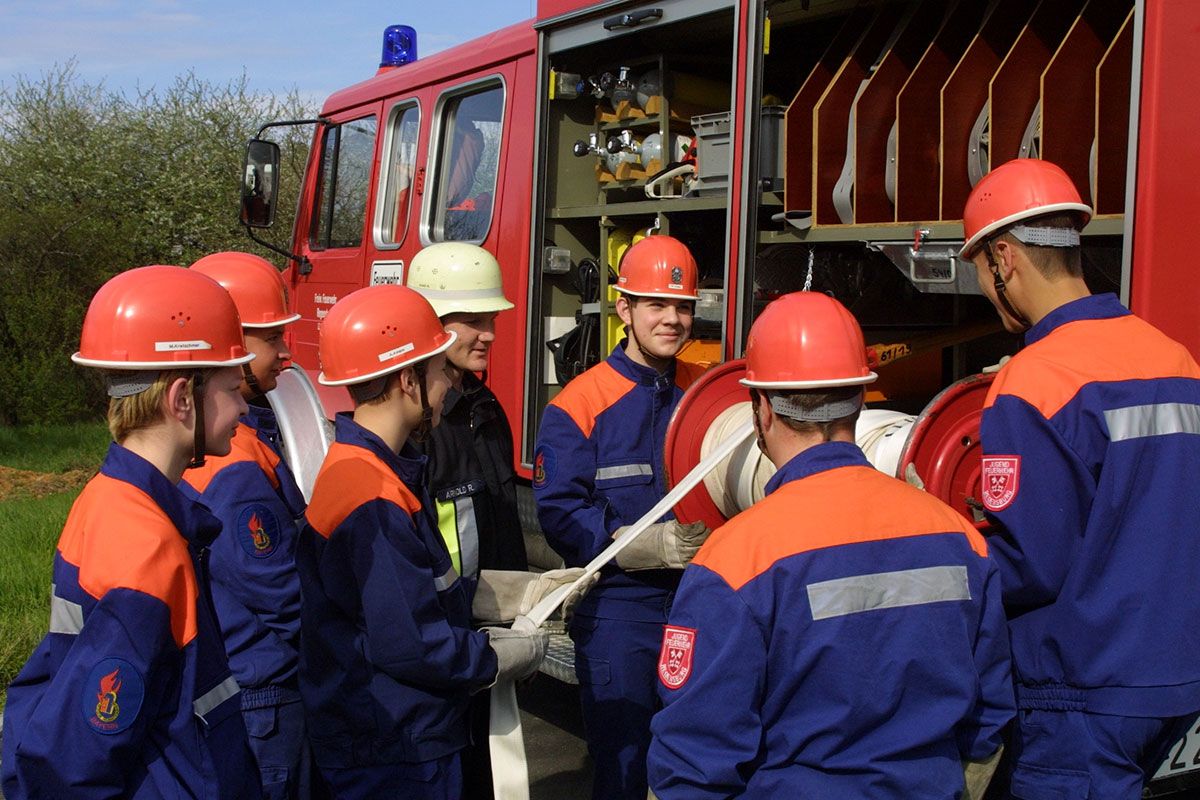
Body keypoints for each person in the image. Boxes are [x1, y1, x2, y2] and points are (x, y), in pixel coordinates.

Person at [647, 291, 1014, 798]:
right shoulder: (958, 535)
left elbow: (694, 759)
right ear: (861, 399)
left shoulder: (734, 561)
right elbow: (989, 715)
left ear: (761, 409)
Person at [960, 157, 1200, 798]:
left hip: (1081, 698)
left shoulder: (1034, 381)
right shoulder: (1173, 357)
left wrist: (945, 554)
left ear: (1004, 258)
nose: (986, 287)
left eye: (981, 269)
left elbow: (1031, 564)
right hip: (1179, 685)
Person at [1, 266, 261, 799]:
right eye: (233, 389)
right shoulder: (148, 549)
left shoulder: (105, 499)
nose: (243, 407)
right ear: (182, 399)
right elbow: (81, 759)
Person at [296, 285, 547, 800]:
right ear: (408, 379)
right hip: (394, 745)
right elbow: (409, 642)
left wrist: (504, 591)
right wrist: (493, 657)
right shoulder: (374, 496)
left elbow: (411, 594)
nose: (449, 386)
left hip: (387, 734)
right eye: (440, 371)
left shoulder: (367, 469)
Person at [408, 241, 593, 798]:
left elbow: (502, 525)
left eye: (491, 318)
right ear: (429, 321)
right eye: (472, 320)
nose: (488, 333)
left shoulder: (485, 410)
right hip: (446, 640)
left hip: (486, 629)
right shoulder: (421, 429)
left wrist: (524, 609)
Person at [534, 235, 712, 800]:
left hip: (699, 601)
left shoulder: (702, 396)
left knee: (698, 759)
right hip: (619, 611)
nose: (673, 319)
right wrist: (627, 544)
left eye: (683, 306)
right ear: (624, 309)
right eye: (656, 305)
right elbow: (559, 510)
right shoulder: (580, 404)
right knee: (624, 765)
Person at [182, 251, 312, 800]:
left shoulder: (229, 441)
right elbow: (282, 592)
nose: (286, 352)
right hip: (265, 690)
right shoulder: (228, 459)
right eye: (271, 340)